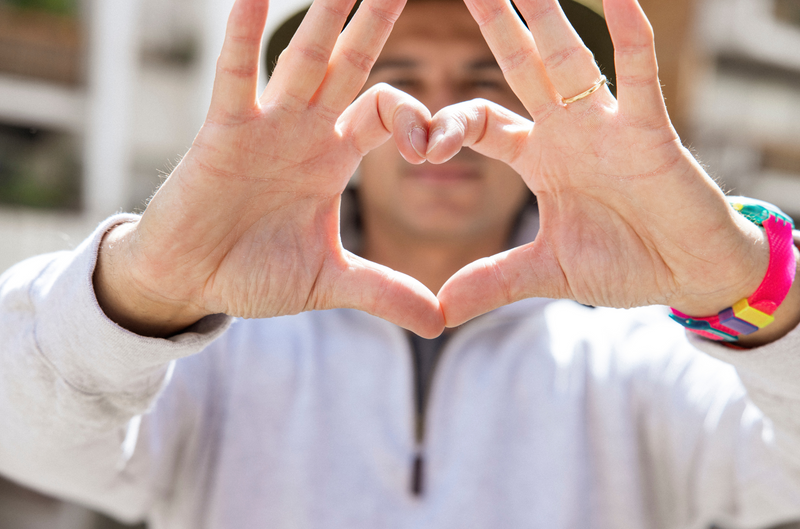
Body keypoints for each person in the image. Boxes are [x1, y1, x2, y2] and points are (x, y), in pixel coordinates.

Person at [2, 0, 800, 527]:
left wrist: (749, 283)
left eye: (486, 81)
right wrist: (140, 289)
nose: (440, 117)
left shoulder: (642, 361)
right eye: (398, 82)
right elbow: (23, 431)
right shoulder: (218, 348)